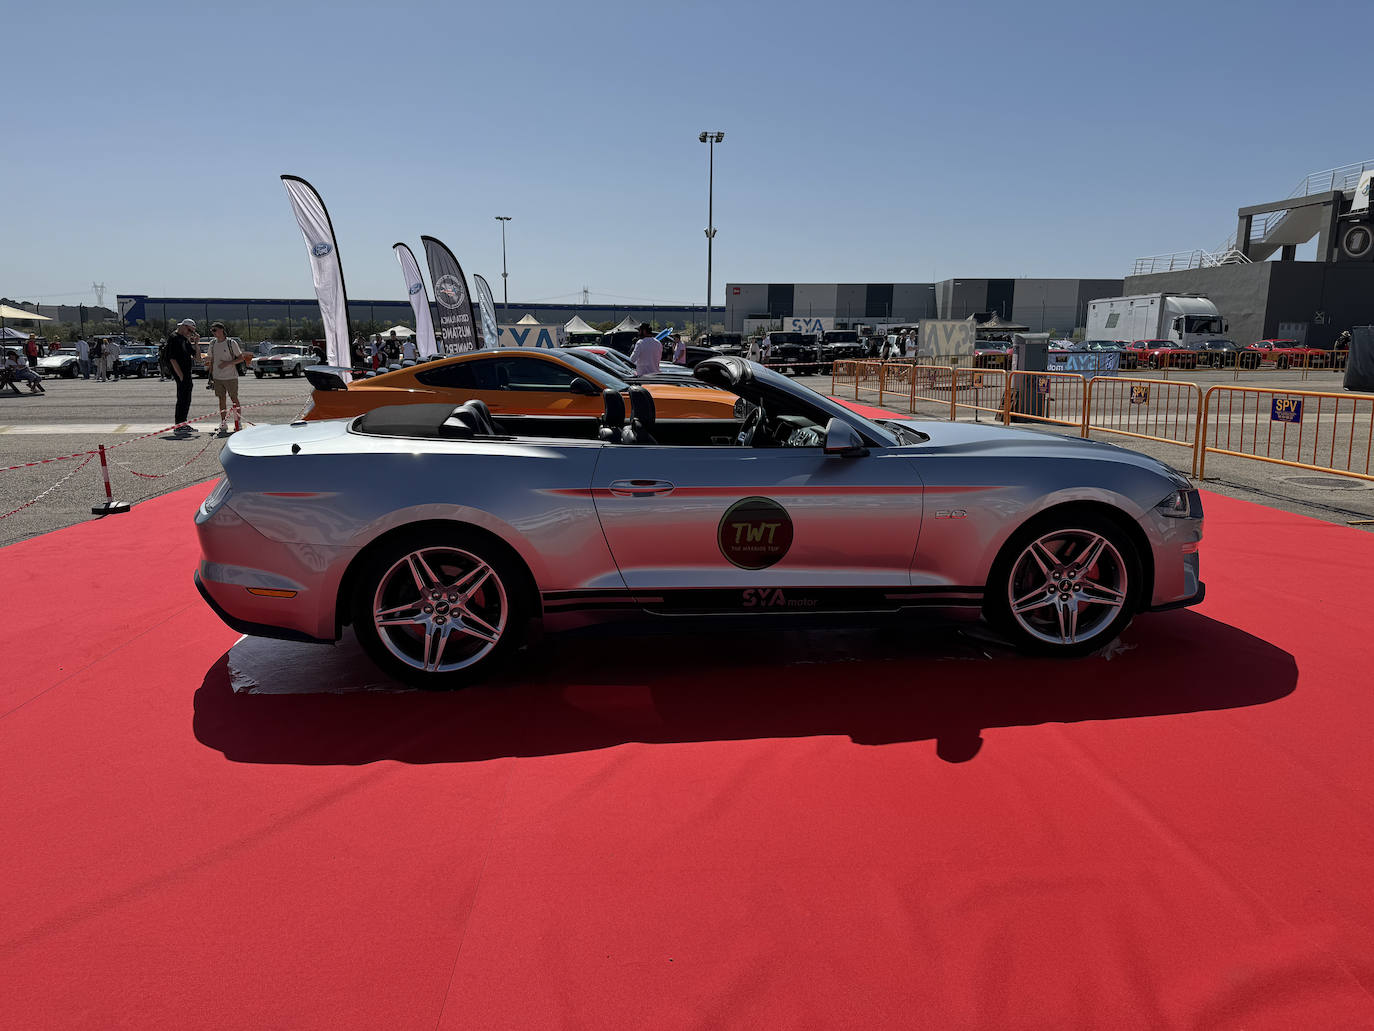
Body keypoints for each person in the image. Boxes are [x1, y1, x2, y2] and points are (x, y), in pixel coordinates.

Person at [207, 321, 244, 435]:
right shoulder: (212, 343)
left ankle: (238, 422)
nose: (213, 333)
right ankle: (223, 423)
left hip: (231, 376)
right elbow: (211, 359)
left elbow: (241, 358)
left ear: (221, 330)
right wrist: (210, 374)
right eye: (212, 331)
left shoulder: (231, 343)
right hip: (217, 377)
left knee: (234, 399)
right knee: (221, 399)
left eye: (215, 330)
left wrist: (228, 363)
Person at [166, 318, 199, 435]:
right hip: (182, 374)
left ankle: (183, 423)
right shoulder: (174, 338)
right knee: (182, 399)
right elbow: (172, 358)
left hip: (187, 373)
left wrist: (196, 342)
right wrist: (180, 376)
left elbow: (197, 357)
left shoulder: (185, 340)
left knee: (186, 399)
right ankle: (179, 424)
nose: (190, 333)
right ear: (184, 327)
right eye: (190, 331)